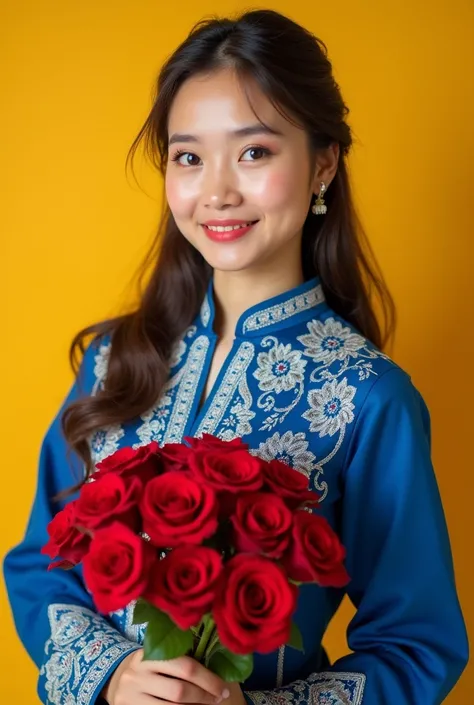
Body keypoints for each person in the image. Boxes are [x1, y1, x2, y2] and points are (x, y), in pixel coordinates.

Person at [3, 8, 468, 705]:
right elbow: (42, 561)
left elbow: (417, 642)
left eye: (254, 152)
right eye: (189, 156)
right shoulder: (117, 360)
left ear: (323, 162)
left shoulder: (369, 397)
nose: (217, 190)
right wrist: (113, 674)